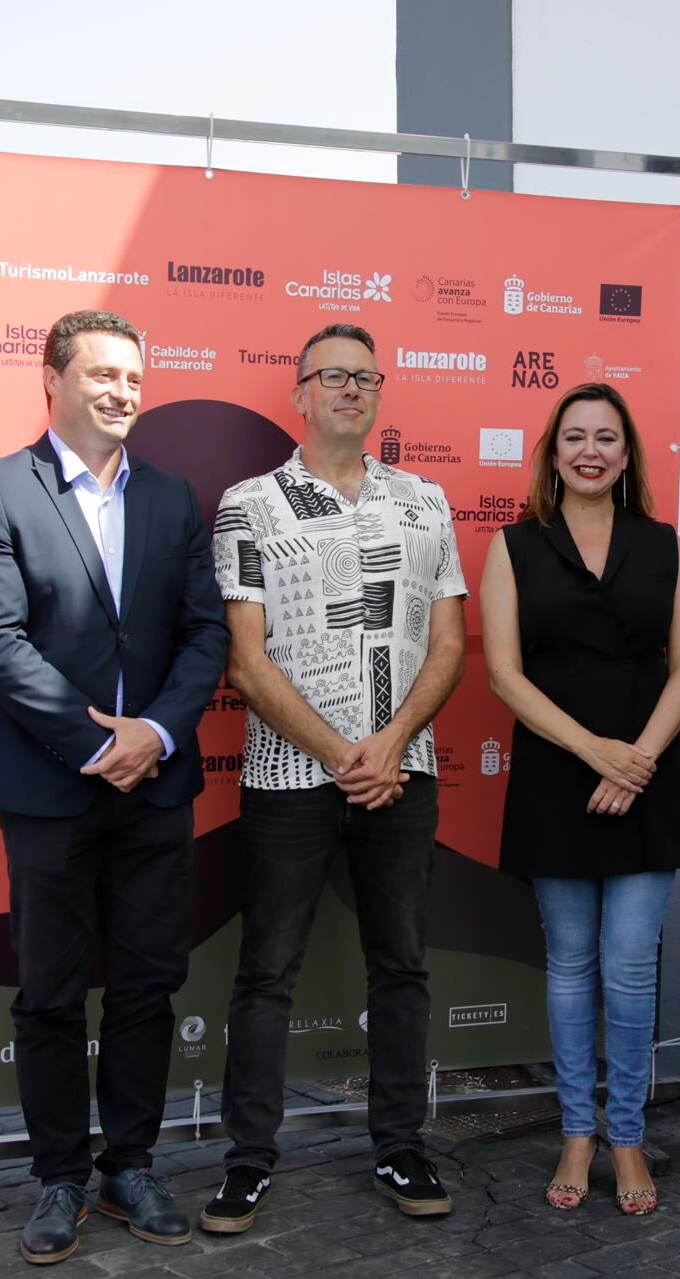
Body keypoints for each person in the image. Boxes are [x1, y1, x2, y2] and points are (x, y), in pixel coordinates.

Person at [0, 309, 229, 1264]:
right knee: (52, 990)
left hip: (154, 784)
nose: (122, 391)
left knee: (149, 984)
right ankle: (60, 1175)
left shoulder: (175, 499)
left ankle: (132, 1165)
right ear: (52, 379)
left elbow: (205, 635)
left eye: (133, 378)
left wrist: (152, 733)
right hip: (50, 785)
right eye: (102, 373)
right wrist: (89, 741)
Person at [203, 323, 467, 1233]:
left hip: (404, 770)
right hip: (289, 777)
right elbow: (246, 657)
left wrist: (389, 743)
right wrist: (339, 752)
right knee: (266, 972)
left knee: (401, 967)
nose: (351, 390)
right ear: (300, 393)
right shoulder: (251, 504)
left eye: (366, 377)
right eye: (333, 376)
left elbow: (449, 642)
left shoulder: (425, 500)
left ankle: (400, 1145)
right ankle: (247, 1161)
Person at [480, 383, 680, 1216]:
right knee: (571, 966)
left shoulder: (664, 544)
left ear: (627, 452)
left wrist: (636, 759)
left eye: (607, 437)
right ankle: (578, 1130)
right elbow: (504, 672)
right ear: (552, 451)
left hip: (647, 780)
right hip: (556, 778)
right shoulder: (515, 546)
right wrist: (594, 752)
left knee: (630, 966)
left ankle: (628, 1136)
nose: (591, 450)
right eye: (575, 436)